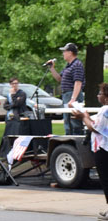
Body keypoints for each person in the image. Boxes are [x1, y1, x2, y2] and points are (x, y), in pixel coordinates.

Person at [70, 83, 108, 220]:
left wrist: (83, 117)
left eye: (100, 93)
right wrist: (86, 116)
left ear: (106, 97)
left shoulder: (105, 109)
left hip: (104, 149)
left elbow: (95, 128)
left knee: (105, 179)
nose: (98, 95)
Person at [49, 42, 85, 135]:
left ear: (70, 52)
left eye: (64, 51)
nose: (63, 54)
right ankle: (68, 138)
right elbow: (59, 79)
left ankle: (77, 142)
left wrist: (73, 99)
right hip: (66, 95)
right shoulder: (68, 66)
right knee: (67, 121)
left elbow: (78, 82)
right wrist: (52, 68)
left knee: (75, 121)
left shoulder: (77, 64)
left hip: (73, 95)